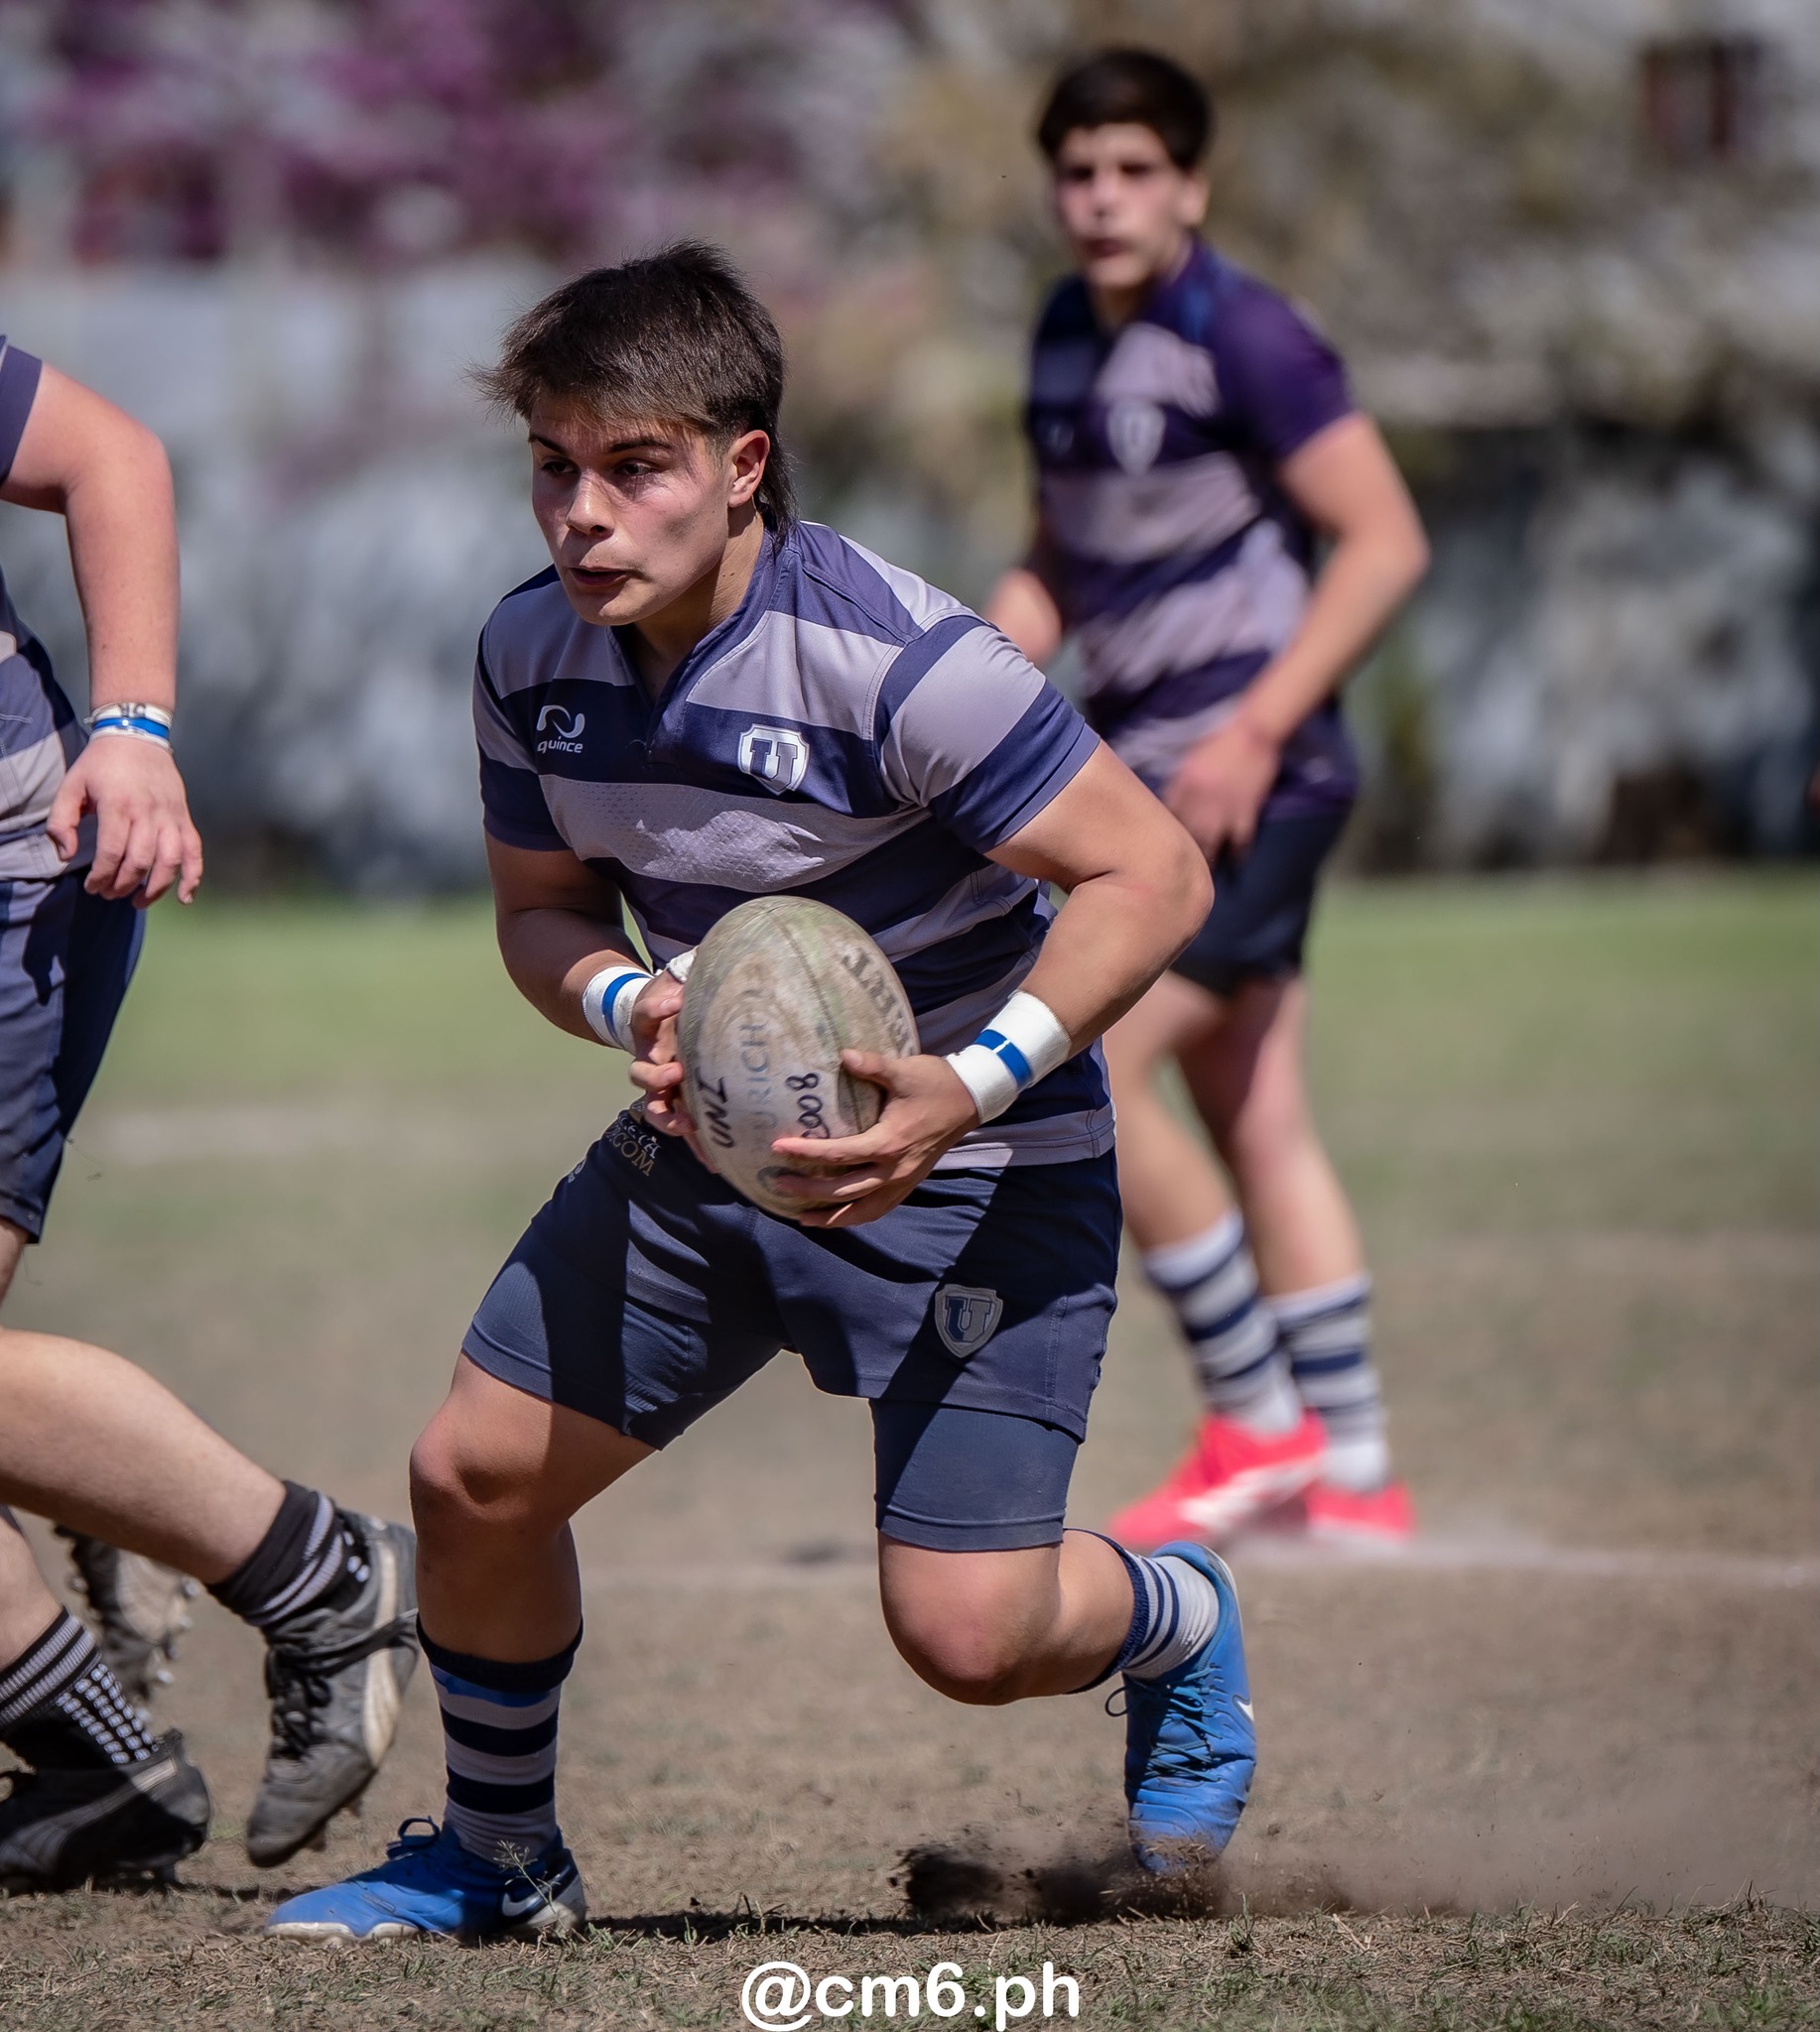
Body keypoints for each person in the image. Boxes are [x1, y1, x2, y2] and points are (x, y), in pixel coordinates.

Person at [267, 243, 1253, 1944]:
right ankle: (502, 1866)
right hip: (706, 1155)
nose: (581, 512)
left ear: (740, 467)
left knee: (968, 1641)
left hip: (980, 1168)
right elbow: (539, 911)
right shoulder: (527, 658)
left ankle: (1176, 1619)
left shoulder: (897, 663)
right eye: (552, 466)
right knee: (473, 1477)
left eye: (631, 466)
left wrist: (965, 1082)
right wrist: (637, 995)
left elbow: (1152, 875)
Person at [985, 51, 1431, 1551]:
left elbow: (1382, 543)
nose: (1101, 198)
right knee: (1255, 1110)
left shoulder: (1247, 336)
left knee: (1088, 1068)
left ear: (1190, 185)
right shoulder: (1059, 334)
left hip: (1252, 782)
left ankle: (1252, 1423)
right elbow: (1059, 556)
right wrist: (974, 671)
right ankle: (1356, 1474)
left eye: (1131, 170)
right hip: (1151, 784)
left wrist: (1248, 733)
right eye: (1077, 171)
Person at [0, 335, 419, 1888]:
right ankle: (99, 1772)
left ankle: (323, 1579)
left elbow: (111, 454)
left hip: (11, 875)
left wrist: (137, 727)